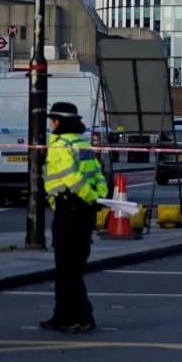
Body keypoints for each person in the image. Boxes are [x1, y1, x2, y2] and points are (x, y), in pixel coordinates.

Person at [40, 102, 108, 334]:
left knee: (68, 268)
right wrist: (99, 196)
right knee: (69, 267)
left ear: (59, 121)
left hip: (70, 208)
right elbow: (97, 173)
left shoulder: (60, 145)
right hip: (84, 210)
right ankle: (61, 315)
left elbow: (71, 178)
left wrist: (86, 197)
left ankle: (82, 316)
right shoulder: (81, 142)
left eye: (52, 120)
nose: (50, 124)